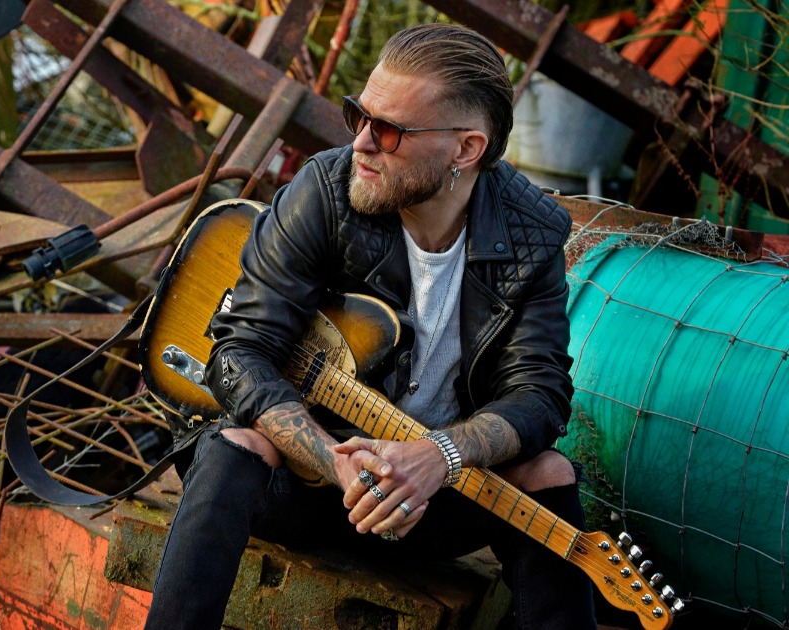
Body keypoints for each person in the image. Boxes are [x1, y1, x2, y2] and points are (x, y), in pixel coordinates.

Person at [143, 22, 596, 629]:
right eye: (358, 116)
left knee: (550, 472)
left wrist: (439, 455)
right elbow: (238, 351)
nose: (360, 143)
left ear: (466, 149)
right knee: (235, 445)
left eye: (388, 130)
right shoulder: (324, 192)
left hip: (432, 502)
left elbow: (540, 394)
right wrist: (332, 460)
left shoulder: (531, 235)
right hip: (308, 484)